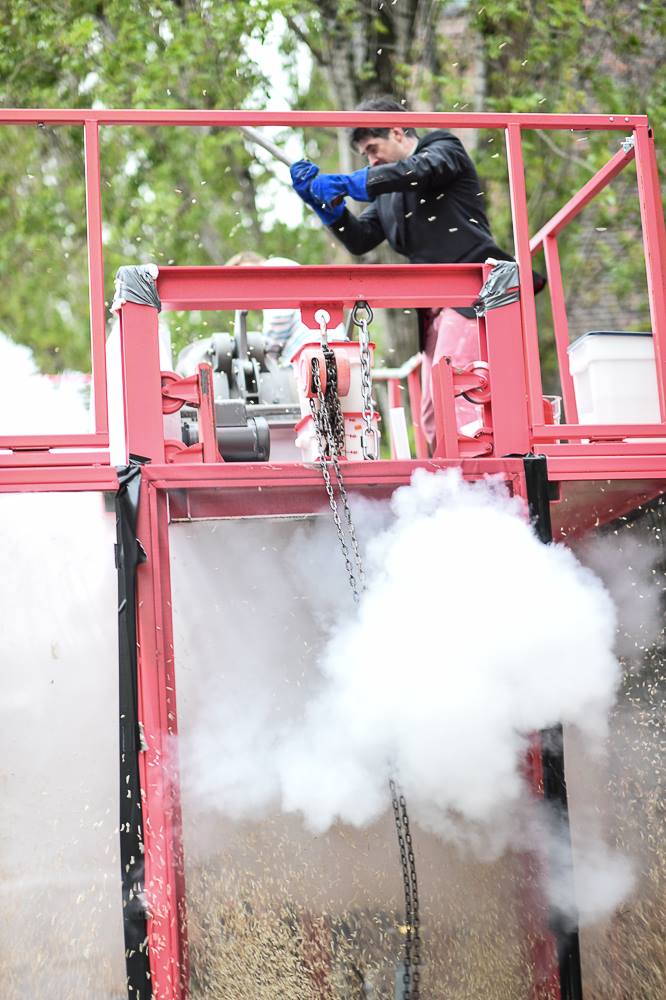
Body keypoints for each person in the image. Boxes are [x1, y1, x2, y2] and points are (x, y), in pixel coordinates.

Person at [290, 96, 544, 447]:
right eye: (365, 155)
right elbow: (361, 239)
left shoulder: (443, 148)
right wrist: (323, 207)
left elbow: (420, 171)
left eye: (373, 148)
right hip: (438, 309)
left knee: (460, 401)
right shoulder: (388, 197)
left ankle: (480, 485)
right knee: (431, 414)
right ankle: (449, 482)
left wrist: (351, 183)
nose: (371, 159)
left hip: (477, 296)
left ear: (397, 131)